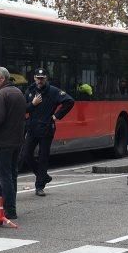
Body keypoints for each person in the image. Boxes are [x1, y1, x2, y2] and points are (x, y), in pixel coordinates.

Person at [21, 68, 75, 196]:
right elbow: (24, 108)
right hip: (32, 128)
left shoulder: (53, 91)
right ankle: (43, 176)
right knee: (26, 155)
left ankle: (39, 186)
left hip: (46, 129)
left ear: (46, 79)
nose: (40, 80)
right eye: (38, 78)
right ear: (34, 78)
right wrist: (33, 104)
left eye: (42, 78)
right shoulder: (30, 91)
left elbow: (69, 101)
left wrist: (57, 116)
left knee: (43, 157)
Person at [0, 66, 27, 219]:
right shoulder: (18, 93)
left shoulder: (1, 95)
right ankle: (10, 207)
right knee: (12, 175)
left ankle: (8, 209)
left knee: (4, 177)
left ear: (2, 79)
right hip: (17, 140)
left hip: (3, 142)